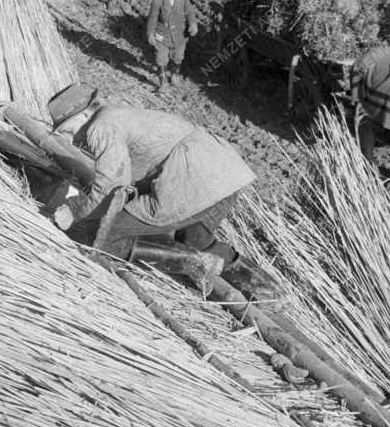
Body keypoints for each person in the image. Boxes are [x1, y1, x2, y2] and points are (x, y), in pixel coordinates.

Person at [47, 83, 257, 289]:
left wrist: (75, 210)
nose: (68, 137)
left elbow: (113, 183)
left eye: (67, 129)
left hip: (192, 176)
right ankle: (265, 290)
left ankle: (197, 263)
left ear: (83, 115)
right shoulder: (117, 114)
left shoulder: (100, 128)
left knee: (105, 234)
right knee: (194, 239)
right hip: (224, 170)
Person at [146, 0, 197, 90]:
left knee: (178, 57)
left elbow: (190, 12)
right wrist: (150, 33)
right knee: (161, 58)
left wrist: (193, 24)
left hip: (180, 33)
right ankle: (162, 81)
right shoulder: (158, 0)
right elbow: (152, 18)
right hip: (162, 34)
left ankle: (175, 75)